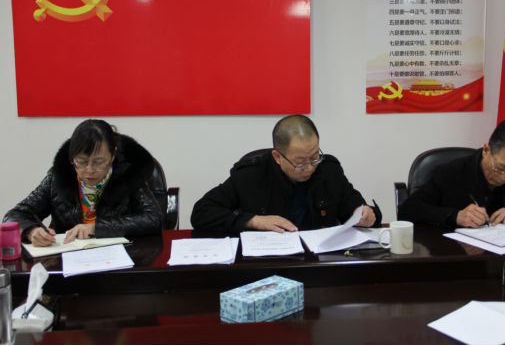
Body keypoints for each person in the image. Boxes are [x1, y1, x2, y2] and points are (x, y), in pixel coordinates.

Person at [192, 115, 382, 232]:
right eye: (300, 162)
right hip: (267, 263)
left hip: (317, 262)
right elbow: (201, 212)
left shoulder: (329, 170)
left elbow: (358, 209)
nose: (310, 168)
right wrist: (254, 221)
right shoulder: (249, 175)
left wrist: (367, 215)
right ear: (277, 157)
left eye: (314, 157)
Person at [4, 120, 163, 246]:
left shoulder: (128, 175)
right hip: (69, 260)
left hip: (119, 259)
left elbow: (153, 219)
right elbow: (14, 215)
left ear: (113, 155)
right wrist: (31, 231)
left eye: (99, 162)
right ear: (72, 157)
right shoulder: (58, 177)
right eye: (81, 162)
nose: (89, 170)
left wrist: (95, 227)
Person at [398, 119, 505, 228]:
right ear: (486, 150)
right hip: (458, 257)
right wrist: (455, 216)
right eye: (501, 167)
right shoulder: (450, 172)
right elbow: (408, 210)